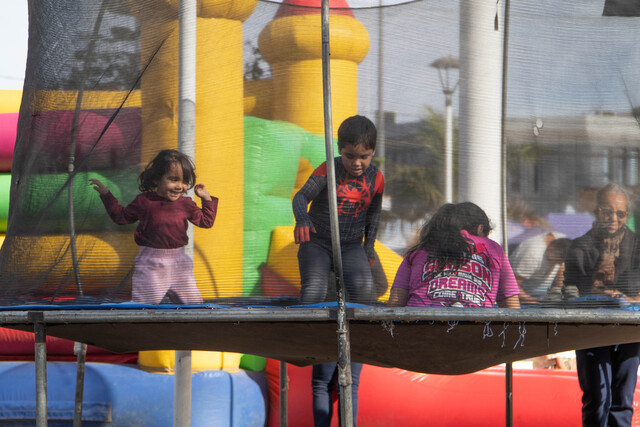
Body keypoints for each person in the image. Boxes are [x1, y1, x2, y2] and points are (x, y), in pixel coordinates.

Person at [292, 114, 384, 427]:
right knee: (315, 290)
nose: (356, 163)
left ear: (373, 153)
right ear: (339, 150)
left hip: (350, 245)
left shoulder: (377, 178)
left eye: (364, 157)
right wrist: (303, 220)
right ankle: (312, 343)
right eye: (350, 156)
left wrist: (369, 248)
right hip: (318, 241)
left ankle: (353, 348)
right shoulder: (328, 169)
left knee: (366, 296)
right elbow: (300, 196)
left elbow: (373, 216)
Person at [89, 149, 218, 305]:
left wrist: (207, 199)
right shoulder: (144, 201)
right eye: (173, 179)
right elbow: (121, 217)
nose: (179, 186)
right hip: (152, 264)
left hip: (180, 265)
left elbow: (206, 222)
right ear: (157, 179)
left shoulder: (186, 204)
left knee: (195, 306)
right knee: (142, 307)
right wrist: (107, 196)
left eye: (184, 182)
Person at [563, 183, 640, 427]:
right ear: (596, 212)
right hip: (590, 325)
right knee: (596, 397)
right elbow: (569, 293)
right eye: (607, 212)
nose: (613, 219)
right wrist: (595, 281)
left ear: (627, 214)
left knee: (622, 398)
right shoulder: (579, 246)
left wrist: (623, 298)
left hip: (630, 326)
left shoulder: (637, 245)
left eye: (620, 213)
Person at [388, 202, 520, 308]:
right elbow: (512, 307)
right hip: (476, 329)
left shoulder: (419, 251)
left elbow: (396, 303)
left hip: (421, 326)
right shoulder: (493, 248)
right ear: (480, 228)